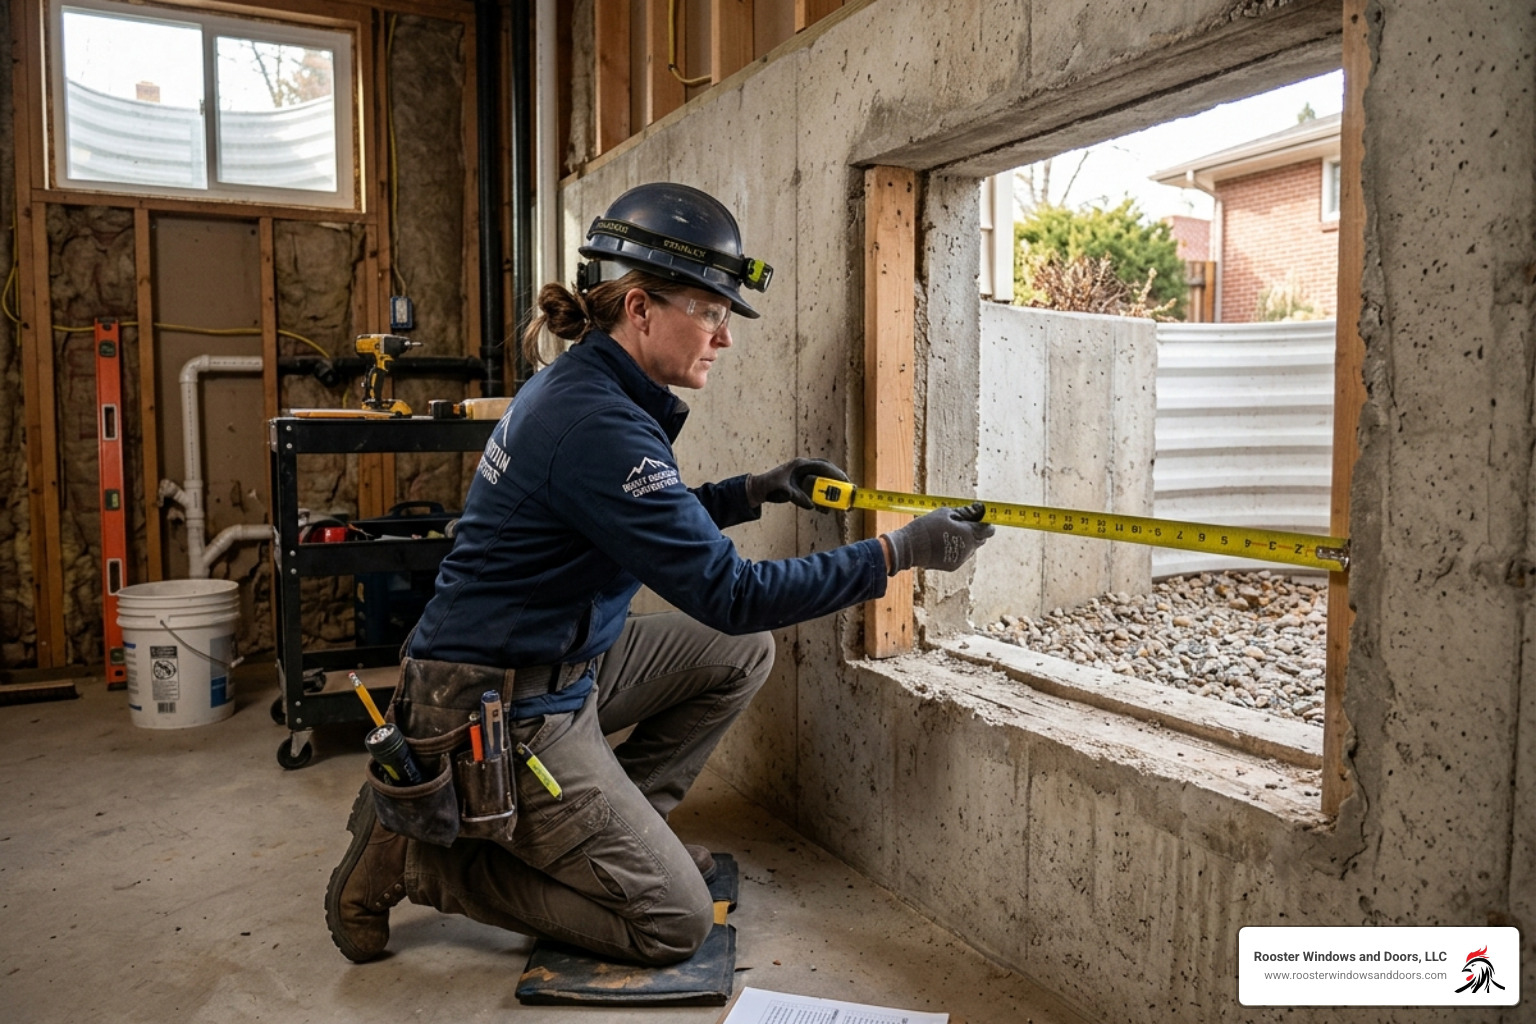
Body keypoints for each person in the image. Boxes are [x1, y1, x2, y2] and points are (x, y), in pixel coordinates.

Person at [325, 182, 994, 966]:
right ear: (640, 308)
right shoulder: (598, 423)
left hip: (560, 663)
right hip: (498, 707)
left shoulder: (591, 387)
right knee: (674, 922)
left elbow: (648, 521)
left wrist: (756, 490)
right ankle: (428, 862)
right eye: (709, 312)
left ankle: (623, 834)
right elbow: (734, 595)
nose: (724, 337)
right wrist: (897, 554)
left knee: (739, 657)